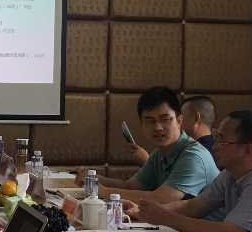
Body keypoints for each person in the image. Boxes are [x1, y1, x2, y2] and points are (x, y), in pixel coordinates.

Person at [126, 111, 252, 232]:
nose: (215, 146)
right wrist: (144, 211)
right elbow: (195, 206)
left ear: (247, 149)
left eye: (222, 141)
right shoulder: (232, 172)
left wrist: (165, 218)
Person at [89, 87, 217, 204]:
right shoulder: (159, 154)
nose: (158, 127)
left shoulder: (193, 156)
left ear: (179, 121)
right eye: (150, 121)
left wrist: (103, 191)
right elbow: (130, 186)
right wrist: (93, 179)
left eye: (165, 119)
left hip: (204, 223)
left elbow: (161, 198)